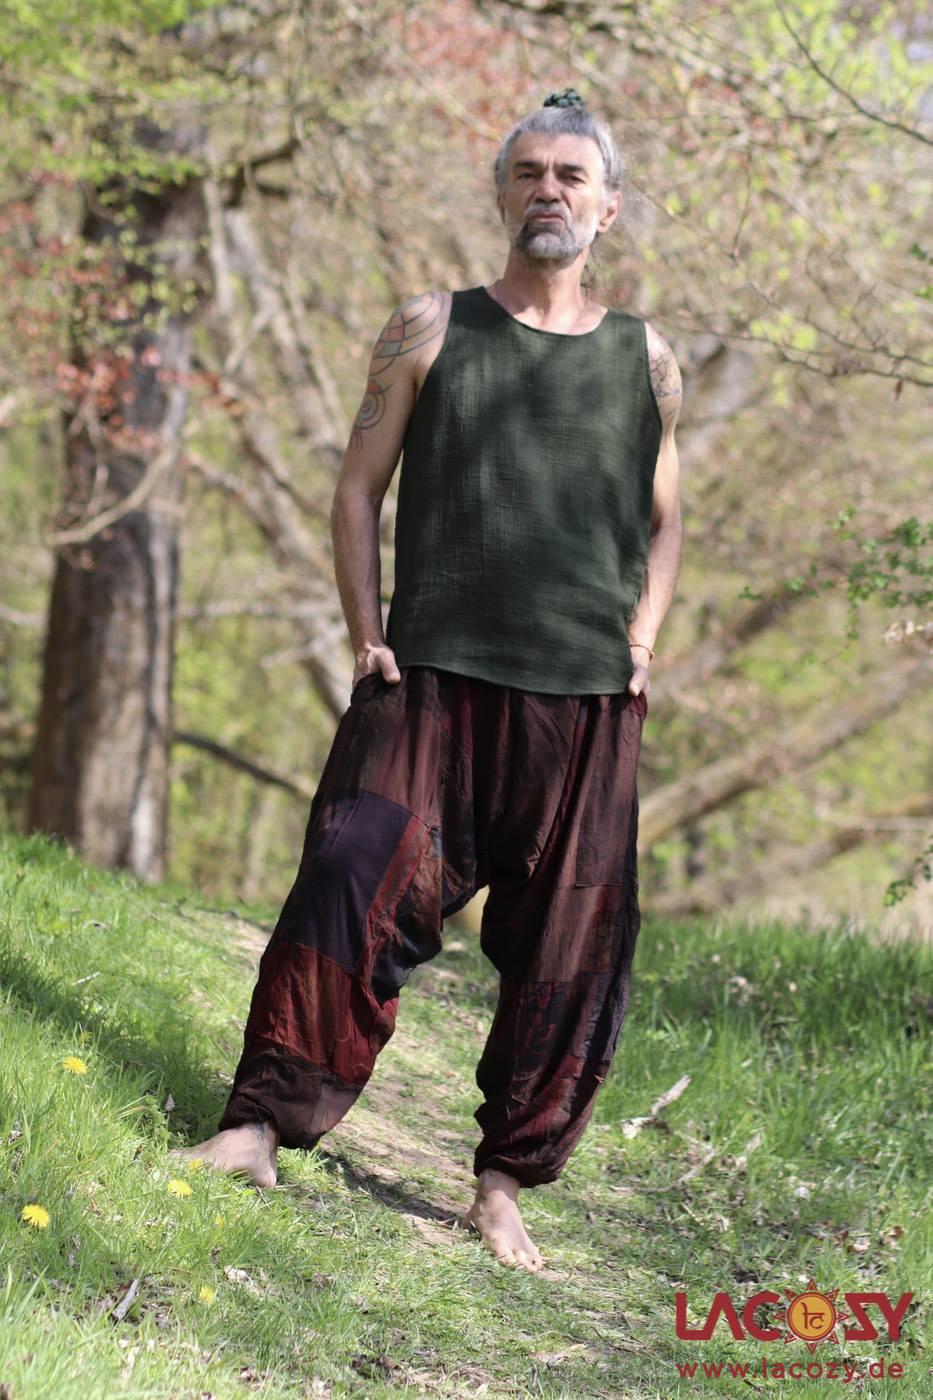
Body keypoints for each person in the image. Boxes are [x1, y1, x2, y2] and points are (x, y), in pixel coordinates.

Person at [172, 88, 684, 1274]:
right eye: (530, 172)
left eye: (572, 175)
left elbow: (666, 520)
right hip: (431, 673)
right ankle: (255, 1125)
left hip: (584, 696)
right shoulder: (430, 327)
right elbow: (357, 489)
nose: (548, 190)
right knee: (347, 878)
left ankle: (503, 1184)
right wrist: (367, 631)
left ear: (607, 208)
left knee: (571, 948)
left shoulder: (646, 359)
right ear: (502, 192)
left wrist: (644, 641)